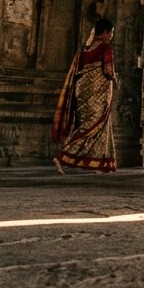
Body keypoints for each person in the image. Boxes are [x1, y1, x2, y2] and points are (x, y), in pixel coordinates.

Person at [52, 17, 117, 173]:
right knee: (92, 126)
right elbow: (108, 72)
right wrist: (115, 78)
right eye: (111, 32)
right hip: (97, 93)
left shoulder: (84, 49)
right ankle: (62, 156)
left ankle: (97, 163)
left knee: (89, 125)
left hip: (81, 91)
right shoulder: (105, 48)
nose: (112, 36)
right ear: (106, 32)